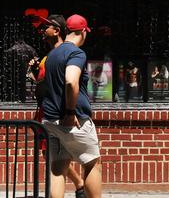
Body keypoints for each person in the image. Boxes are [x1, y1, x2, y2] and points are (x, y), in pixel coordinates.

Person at [41, 14, 102, 198]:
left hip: (51, 120)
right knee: (92, 163)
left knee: (58, 167)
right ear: (83, 31)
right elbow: (70, 81)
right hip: (74, 121)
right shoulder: (76, 53)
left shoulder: (52, 55)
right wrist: (70, 111)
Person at [28, 14, 85, 198]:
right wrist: (36, 71)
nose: (42, 31)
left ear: (57, 30)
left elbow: (69, 83)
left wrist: (71, 110)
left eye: (46, 28)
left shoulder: (66, 53)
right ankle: (79, 184)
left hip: (62, 113)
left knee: (58, 159)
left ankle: (78, 185)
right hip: (47, 110)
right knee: (52, 157)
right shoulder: (48, 57)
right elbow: (45, 83)